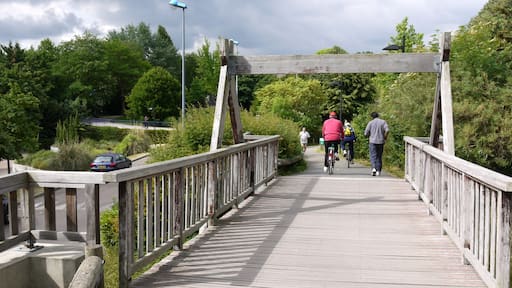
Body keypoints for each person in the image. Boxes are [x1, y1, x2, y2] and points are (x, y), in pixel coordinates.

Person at [364, 112, 389, 176]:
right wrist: (385, 137)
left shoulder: (370, 123)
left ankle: (374, 168)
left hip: (372, 141)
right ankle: (378, 171)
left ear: (372, 117)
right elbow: (387, 130)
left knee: (373, 156)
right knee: (379, 156)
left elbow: (366, 133)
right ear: (378, 115)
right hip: (381, 141)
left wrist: (368, 135)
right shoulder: (383, 122)